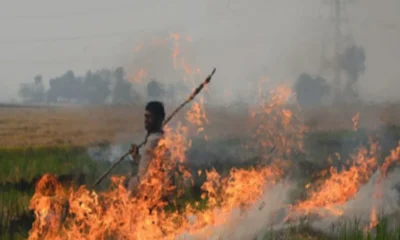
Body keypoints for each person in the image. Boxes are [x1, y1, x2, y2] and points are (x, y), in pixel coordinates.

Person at [127, 101, 173, 200]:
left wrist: (165, 193)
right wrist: (136, 156)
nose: (146, 120)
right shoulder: (151, 139)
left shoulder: (160, 141)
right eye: (145, 117)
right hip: (143, 193)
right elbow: (147, 167)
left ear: (159, 119)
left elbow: (166, 168)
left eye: (149, 117)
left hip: (152, 195)